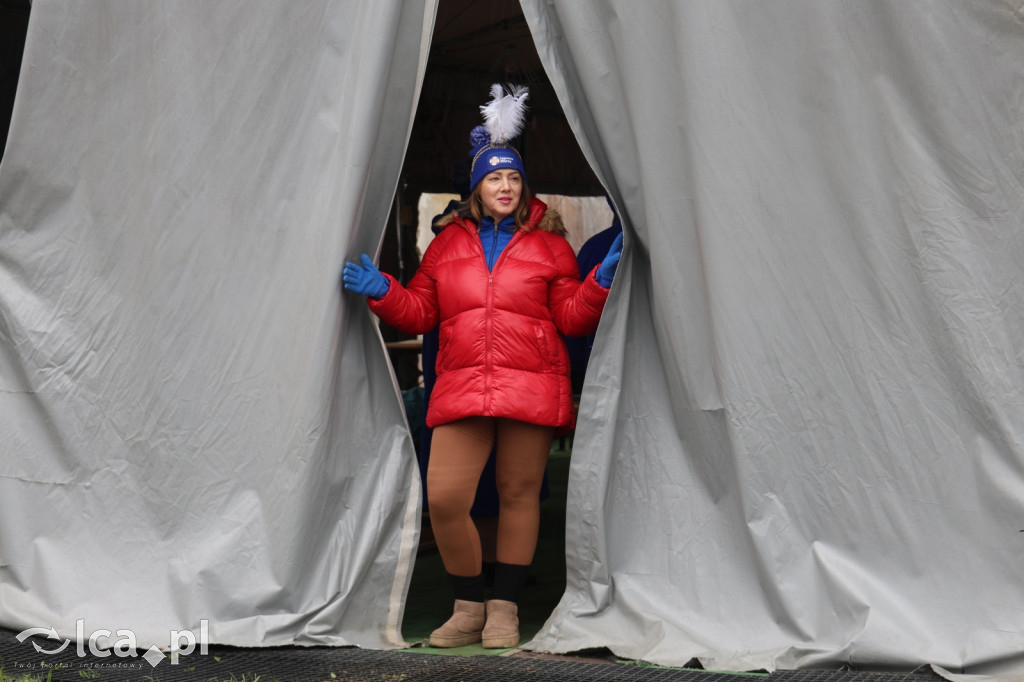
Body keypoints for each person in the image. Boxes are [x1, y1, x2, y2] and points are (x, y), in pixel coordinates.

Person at [343, 84, 623, 649]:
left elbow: (571, 318)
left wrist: (598, 282)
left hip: (531, 387)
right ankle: (468, 605)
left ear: (524, 187)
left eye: (514, 178)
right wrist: (383, 291)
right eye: (494, 177)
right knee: (445, 497)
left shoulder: (551, 246)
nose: (505, 186)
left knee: (519, 497)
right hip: (464, 386)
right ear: (476, 187)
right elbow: (423, 310)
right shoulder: (445, 246)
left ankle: (504, 611)